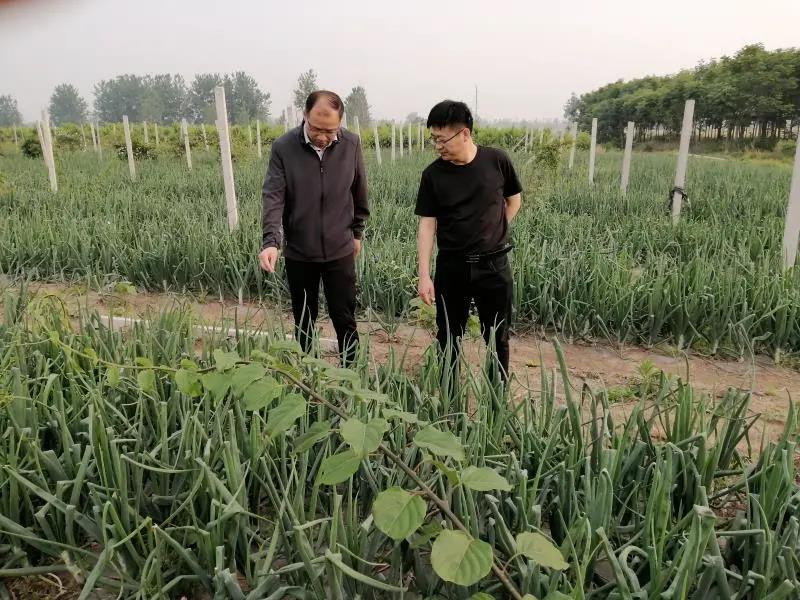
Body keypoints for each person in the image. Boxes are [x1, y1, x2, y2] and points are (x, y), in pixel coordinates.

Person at [415, 100, 522, 382]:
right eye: (434, 139)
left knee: (497, 337)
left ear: (464, 133)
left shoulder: (496, 161)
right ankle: (448, 396)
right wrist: (424, 275)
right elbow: (427, 225)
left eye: (442, 139)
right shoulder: (433, 175)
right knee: (448, 337)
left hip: (494, 266)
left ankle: (496, 395)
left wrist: (494, 229)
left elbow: (514, 200)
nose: (437, 146)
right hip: (452, 267)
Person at [259, 90, 368, 366]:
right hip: (300, 251)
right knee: (304, 318)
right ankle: (307, 373)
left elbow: (359, 191)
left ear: (340, 123)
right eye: (317, 128)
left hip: (340, 248)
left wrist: (356, 232)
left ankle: (351, 373)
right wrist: (271, 241)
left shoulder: (351, 144)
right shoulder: (284, 147)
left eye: (330, 131)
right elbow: (274, 196)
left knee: (344, 316)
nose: (322, 136)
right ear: (305, 115)